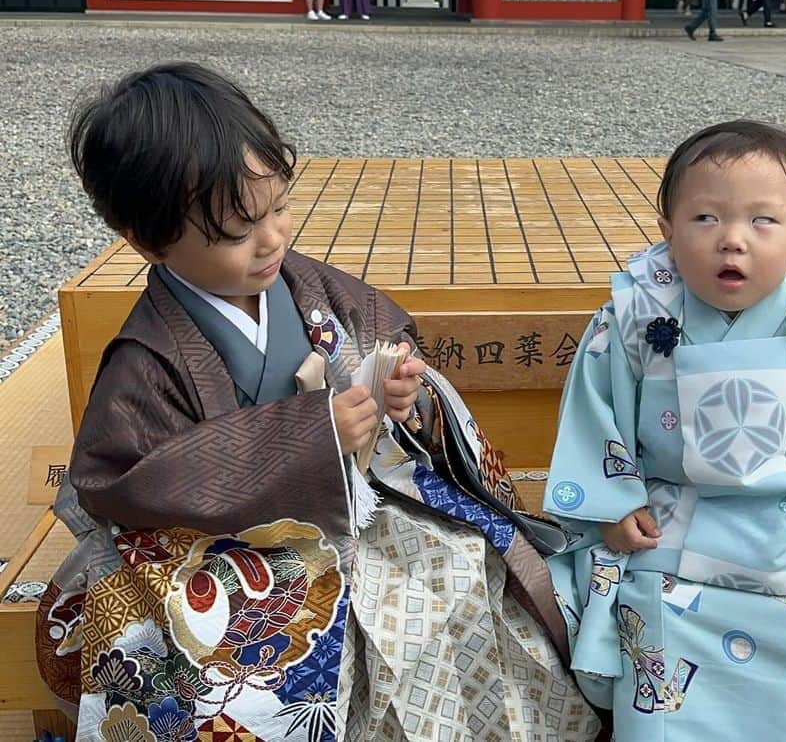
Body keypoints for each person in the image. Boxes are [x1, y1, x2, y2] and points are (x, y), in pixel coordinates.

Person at [35, 63, 601, 742]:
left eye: (277, 209)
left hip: (363, 504)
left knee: (466, 573)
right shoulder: (147, 357)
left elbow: (384, 342)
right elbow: (121, 480)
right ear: (148, 240)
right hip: (235, 557)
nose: (272, 239)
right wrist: (311, 434)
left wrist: (396, 394)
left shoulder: (308, 289)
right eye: (237, 231)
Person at [542, 120, 786, 741]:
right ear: (668, 231)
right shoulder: (637, 313)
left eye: (763, 221)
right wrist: (611, 502)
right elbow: (595, 409)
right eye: (705, 218)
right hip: (674, 528)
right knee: (655, 647)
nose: (732, 241)